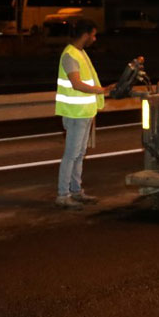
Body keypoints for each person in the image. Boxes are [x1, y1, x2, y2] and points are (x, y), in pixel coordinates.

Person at [54, 18, 113, 209]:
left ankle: (76, 191)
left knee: (79, 154)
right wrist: (102, 90)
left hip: (85, 112)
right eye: (94, 35)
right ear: (86, 35)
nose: (95, 39)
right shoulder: (70, 55)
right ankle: (63, 195)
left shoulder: (80, 53)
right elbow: (76, 83)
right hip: (75, 113)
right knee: (71, 155)